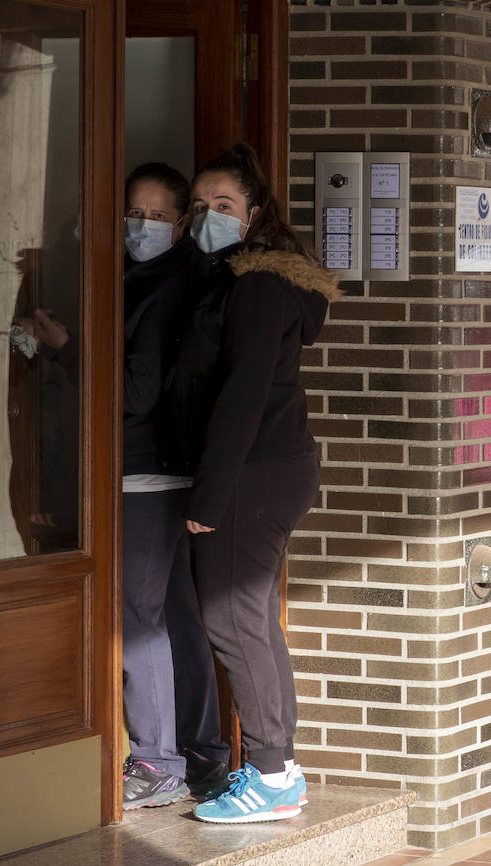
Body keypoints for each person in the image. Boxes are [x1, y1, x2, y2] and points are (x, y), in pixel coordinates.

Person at [174, 143, 339, 823]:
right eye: (199, 206)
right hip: (269, 469)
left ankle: (270, 775)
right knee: (253, 620)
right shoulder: (243, 280)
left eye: (224, 206)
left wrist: (210, 497)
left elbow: (241, 395)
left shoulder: (256, 286)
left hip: (250, 474)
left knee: (231, 618)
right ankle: (281, 768)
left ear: (255, 214)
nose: (207, 216)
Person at [116, 162, 230, 807]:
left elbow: (134, 392)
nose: (143, 226)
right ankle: (202, 749)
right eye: (135, 213)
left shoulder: (159, 289)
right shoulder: (185, 276)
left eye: (158, 216)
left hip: (145, 469)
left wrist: (68, 345)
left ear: (183, 222)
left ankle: (156, 761)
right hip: (174, 466)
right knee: (178, 613)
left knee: (140, 618)